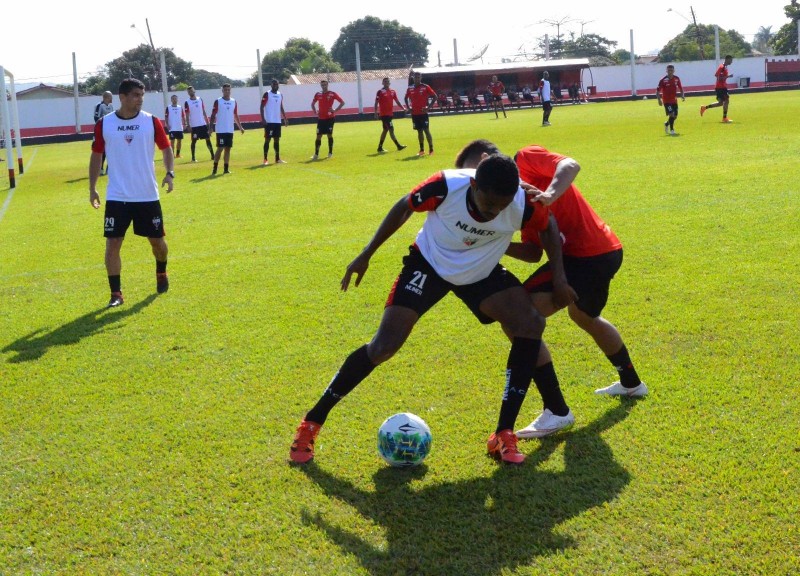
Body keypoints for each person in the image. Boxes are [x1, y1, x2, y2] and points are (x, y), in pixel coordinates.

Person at [289, 150, 576, 466]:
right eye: (488, 204)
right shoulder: (445, 186)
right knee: (384, 346)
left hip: (480, 271)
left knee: (530, 324)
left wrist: (560, 278)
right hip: (429, 265)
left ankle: (503, 434)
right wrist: (367, 253)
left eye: (502, 206)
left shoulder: (523, 202)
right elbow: (404, 206)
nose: (495, 212)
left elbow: (548, 228)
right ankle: (311, 424)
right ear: (474, 186)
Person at [456, 140, 648, 414]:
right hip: (599, 253)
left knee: (519, 318)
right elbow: (534, 252)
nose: (474, 185)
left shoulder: (526, 157)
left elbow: (570, 164)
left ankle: (556, 410)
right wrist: (492, 240)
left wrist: (549, 194)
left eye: (472, 174)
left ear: (487, 159)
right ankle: (632, 383)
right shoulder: (513, 202)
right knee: (583, 316)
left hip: (589, 255)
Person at [88, 78, 174, 308]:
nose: (140, 99)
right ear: (122, 97)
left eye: (141, 95)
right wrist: (93, 188)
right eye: (135, 95)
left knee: (157, 243)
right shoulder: (104, 124)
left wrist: (170, 173)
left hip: (147, 195)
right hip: (117, 196)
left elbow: (166, 148)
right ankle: (116, 293)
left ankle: (161, 272)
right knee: (113, 243)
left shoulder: (151, 121)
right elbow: (97, 155)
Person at [209, 83, 245, 175]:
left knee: (228, 149)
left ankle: (226, 168)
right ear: (222, 91)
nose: (227, 91)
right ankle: (215, 168)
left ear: (230, 90)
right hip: (221, 129)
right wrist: (210, 128)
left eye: (229, 90)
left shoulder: (233, 101)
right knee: (220, 148)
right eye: (225, 90)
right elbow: (213, 115)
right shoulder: (218, 101)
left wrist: (240, 127)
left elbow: (235, 115)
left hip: (229, 129)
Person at [404, 71, 437, 156]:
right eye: (415, 77)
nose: (417, 79)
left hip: (423, 113)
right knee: (419, 131)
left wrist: (428, 107)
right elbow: (405, 98)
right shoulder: (410, 88)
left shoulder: (425, 87)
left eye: (418, 77)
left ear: (421, 78)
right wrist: (409, 108)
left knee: (426, 130)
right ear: (413, 78)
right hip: (415, 114)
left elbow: (435, 96)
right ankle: (422, 150)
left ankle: (431, 149)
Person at [310, 80, 345, 160]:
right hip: (321, 119)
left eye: (325, 85)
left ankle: (330, 153)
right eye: (322, 85)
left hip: (330, 118)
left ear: (327, 85)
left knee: (329, 135)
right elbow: (312, 104)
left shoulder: (332, 93)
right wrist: (315, 112)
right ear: (320, 85)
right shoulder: (318, 94)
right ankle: (316, 154)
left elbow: (342, 102)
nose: (324, 86)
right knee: (318, 136)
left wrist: (335, 110)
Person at [373, 77, 407, 153]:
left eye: (387, 81)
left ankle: (379, 147)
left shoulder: (393, 91)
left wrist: (403, 108)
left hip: (390, 114)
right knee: (391, 130)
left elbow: (397, 101)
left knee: (385, 130)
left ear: (389, 83)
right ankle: (398, 146)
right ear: (382, 83)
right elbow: (376, 103)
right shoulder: (380, 92)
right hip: (384, 115)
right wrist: (375, 112)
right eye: (385, 81)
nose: (386, 83)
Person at [260, 79, 288, 165]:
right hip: (269, 121)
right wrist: (263, 119)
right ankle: (265, 159)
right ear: (271, 85)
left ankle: (277, 158)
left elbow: (281, 106)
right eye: (274, 84)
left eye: (277, 84)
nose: (275, 86)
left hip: (277, 121)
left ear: (278, 85)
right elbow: (261, 107)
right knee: (267, 140)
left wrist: (285, 118)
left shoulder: (280, 95)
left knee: (277, 140)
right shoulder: (267, 94)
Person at [184, 86, 215, 162]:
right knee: (194, 141)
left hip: (203, 124)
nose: (190, 92)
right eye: (189, 91)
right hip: (194, 126)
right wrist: (188, 125)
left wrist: (208, 123)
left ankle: (213, 156)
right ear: (188, 93)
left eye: (191, 90)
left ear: (194, 90)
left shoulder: (200, 99)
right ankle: (193, 158)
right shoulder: (187, 102)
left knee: (208, 139)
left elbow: (203, 111)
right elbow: (187, 114)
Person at [700, 55, 733, 123]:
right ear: (727, 59)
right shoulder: (722, 67)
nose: (731, 61)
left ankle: (704, 107)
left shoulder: (725, 67)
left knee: (721, 103)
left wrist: (726, 77)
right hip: (721, 87)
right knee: (726, 101)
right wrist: (728, 76)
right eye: (730, 60)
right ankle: (724, 118)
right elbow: (717, 77)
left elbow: (721, 77)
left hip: (722, 87)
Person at [656, 64, 685, 136]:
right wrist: (659, 100)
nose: (670, 72)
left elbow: (680, 87)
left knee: (675, 116)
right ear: (666, 71)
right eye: (669, 70)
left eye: (671, 70)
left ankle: (667, 124)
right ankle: (672, 130)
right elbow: (657, 91)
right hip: (666, 101)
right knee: (671, 114)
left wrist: (682, 95)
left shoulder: (676, 78)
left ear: (674, 71)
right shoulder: (663, 80)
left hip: (674, 100)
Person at [93, 91, 114, 175]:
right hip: (102, 131)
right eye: (110, 97)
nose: (112, 98)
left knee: (111, 149)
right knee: (102, 150)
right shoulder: (99, 106)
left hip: (110, 131)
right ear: (106, 97)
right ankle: (100, 169)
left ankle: (109, 169)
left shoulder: (111, 106)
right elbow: (96, 118)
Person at [164, 94, 187, 158]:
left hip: (179, 127)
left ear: (177, 99)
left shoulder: (180, 107)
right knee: (172, 141)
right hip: (172, 128)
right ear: (171, 100)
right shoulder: (168, 108)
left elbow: (183, 116)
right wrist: (167, 125)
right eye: (173, 99)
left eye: (175, 98)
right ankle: (172, 154)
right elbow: (166, 117)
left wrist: (185, 124)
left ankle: (178, 154)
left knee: (179, 141)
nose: (174, 100)